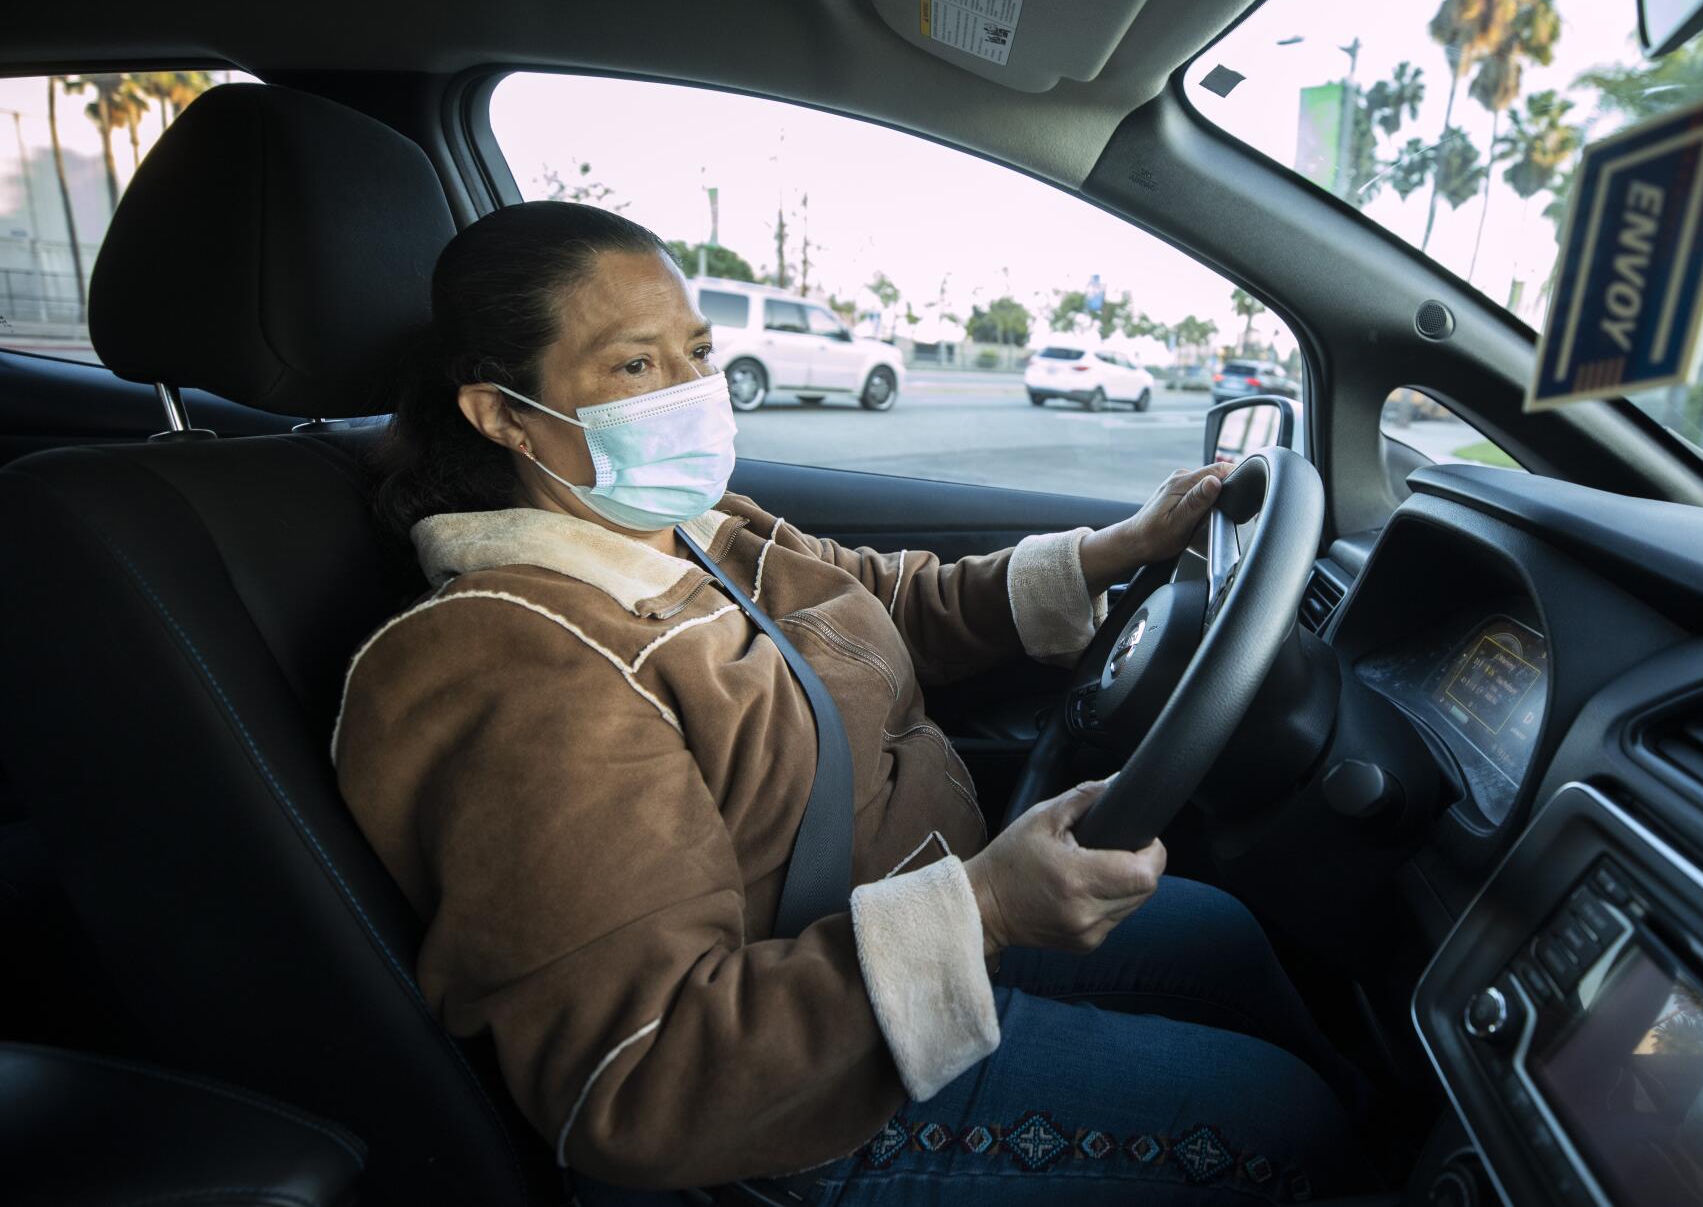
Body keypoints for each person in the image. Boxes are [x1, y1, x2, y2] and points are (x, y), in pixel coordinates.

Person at [334, 200, 1369, 1203]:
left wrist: (1110, 552)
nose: (693, 388)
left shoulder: (691, 527)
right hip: (793, 1104)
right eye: (635, 365)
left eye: (696, 350)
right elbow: (645, 1075)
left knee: (1224, 939)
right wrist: (989, 907)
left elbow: (880, 600)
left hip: (928, 922)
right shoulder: (507, 662)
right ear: (503, 416)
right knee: (1284, 1124)